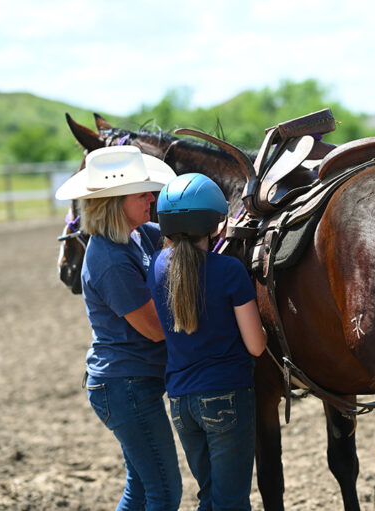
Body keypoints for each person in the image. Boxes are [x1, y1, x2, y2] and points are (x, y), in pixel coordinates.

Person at [55, 145, 183, 511]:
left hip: (130, 383)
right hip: (125, 387)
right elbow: (156, 329)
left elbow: (184, 233)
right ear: (115, 201)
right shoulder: (109, 258)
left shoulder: (139, 235)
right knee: (164, 492)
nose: (150, 197)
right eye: (141, 193)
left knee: (142, 489)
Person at [148, 173, 267, 511]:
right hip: (227, 397)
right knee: (231, 502)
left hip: (182, 403)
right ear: (216, 224)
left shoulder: (156, 267)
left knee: (211, 497)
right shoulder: (229, 270)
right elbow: (256, 345)